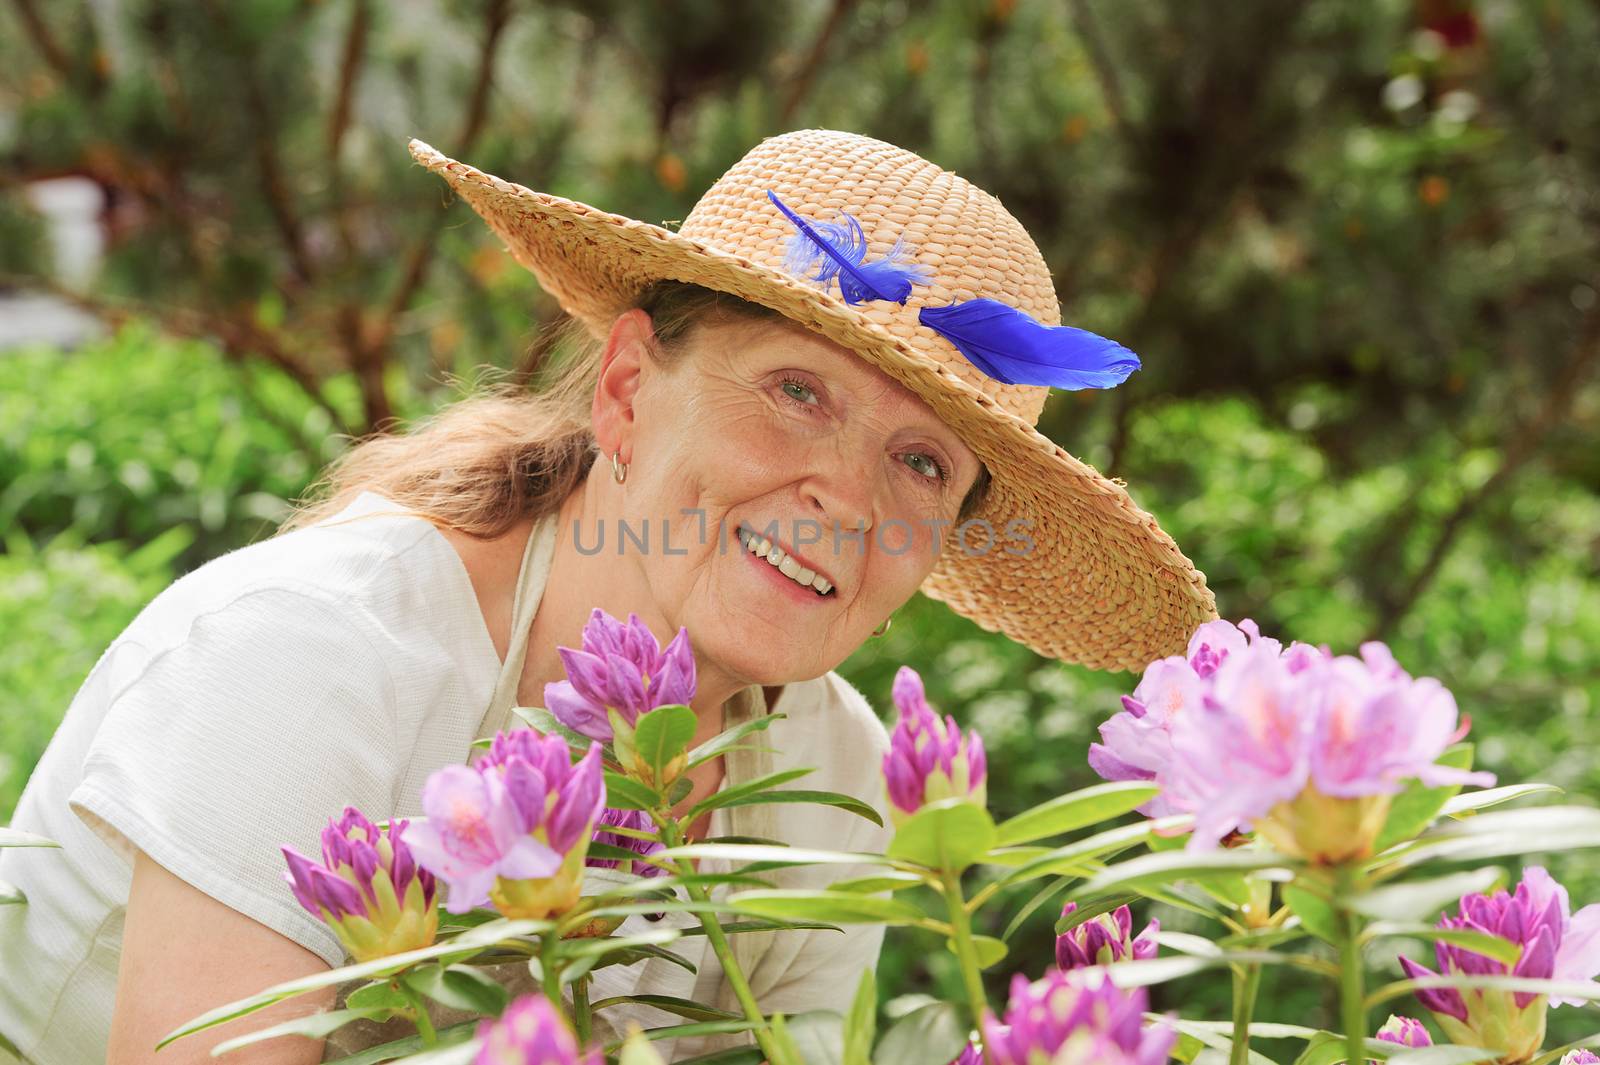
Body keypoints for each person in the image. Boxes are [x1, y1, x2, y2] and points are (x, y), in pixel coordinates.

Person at [0, 128, 1217, 1064]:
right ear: (628, 391)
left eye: (920, 463)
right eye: (796, 390)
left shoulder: (837, 777)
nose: (846, 499)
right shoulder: (312, 650)